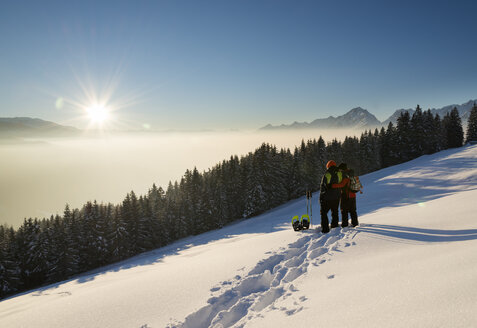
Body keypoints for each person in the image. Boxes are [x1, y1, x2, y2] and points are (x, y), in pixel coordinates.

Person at [333, 163, 360, 227]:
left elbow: (342, 185)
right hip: (353, 195)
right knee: (353, 211)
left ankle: (345, 224)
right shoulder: (352, 174)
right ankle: (355, 223)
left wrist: (333, 185)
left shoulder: (344, 175)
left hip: (345, 195)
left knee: (344, 211)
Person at [319, 160, 343, 233]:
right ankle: (334, 225)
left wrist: (321, 197)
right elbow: (340, 183)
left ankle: (325, 229)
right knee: (335, 211)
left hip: (327, 197)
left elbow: (324, 186)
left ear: (328, 166)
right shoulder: (339, 173)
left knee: (323, 213)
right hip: (337, 196)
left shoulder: (327, 174)